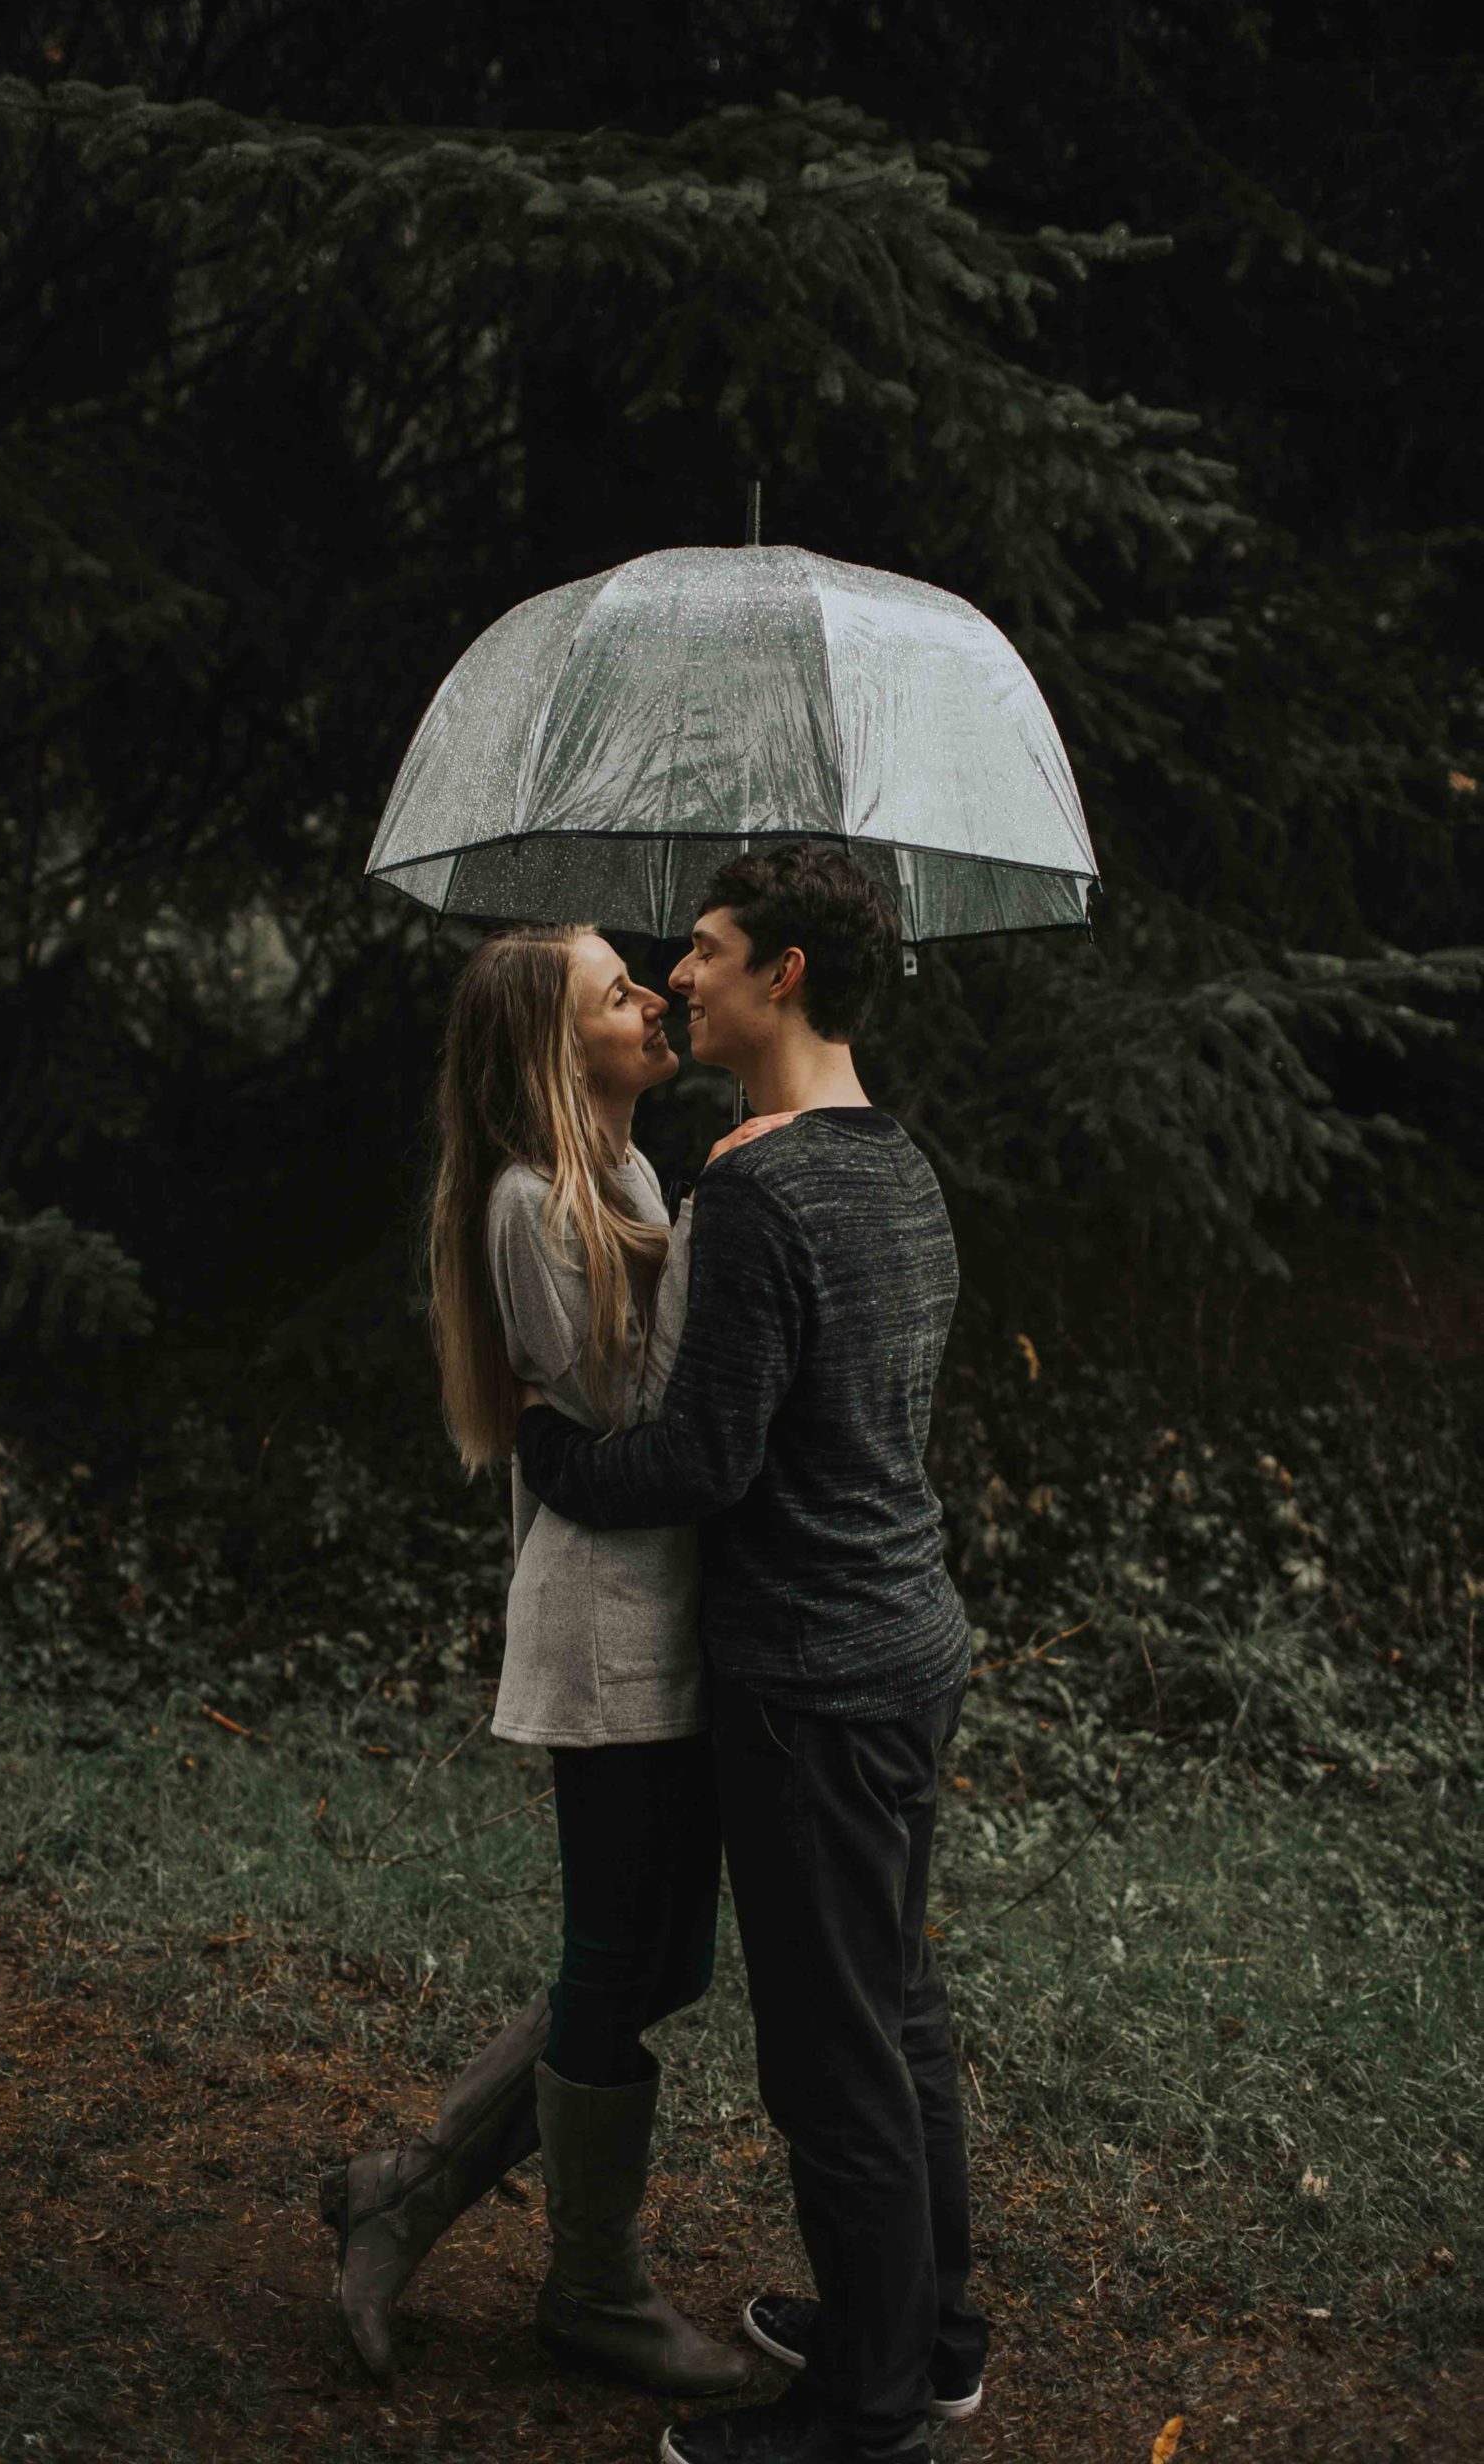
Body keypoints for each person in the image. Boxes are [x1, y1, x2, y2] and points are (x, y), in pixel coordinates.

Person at [515, 844, 989, 2464]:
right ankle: (930, 2333)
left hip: (812, 1674)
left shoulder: (762, 1186)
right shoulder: (895, 1161)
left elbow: (708, 1461)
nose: (682, 974)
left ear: (785, 973)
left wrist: (558, 1462)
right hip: (908, 1637)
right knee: (897, 2004)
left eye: (710, 950)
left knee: (831, 2048)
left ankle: (862, 2411)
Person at [319, 921, 757, 2398]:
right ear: (547, 1046)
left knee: (658, 1962)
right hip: (604, 1618)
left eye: (642, 981)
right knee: (612, 1956)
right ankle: (594, 2289)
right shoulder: (527, 1201)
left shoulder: (632, 1173)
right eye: (614, 992)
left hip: (673, 1608)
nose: (650, 999)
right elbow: (610, 1432)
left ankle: (413, 2186)